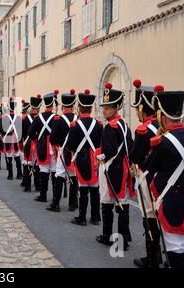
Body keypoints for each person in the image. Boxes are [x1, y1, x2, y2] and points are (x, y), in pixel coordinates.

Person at [145, 85, 184, 268]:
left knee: (176, 249)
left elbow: (149, 166)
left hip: (174, 204)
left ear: (163, 117)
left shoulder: (162, 143)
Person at [95, 83, 135, 250]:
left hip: (111, 168)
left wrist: (99, 155)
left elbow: (109, 151)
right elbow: (130, 146)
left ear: (116, 108)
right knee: (122, 203)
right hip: (123, 168)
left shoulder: (110, 127)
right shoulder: (123, 125)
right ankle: (123, 239)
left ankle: (107, 236)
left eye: (108, 107)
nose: (104, 110)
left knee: (107, 203)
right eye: (104, 107)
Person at [129, 80, 162, 268]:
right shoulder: (161, 126)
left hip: (147, 179)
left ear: (142, 107)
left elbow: (135, 156)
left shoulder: (142, 130)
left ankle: (152, 258)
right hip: (163, 181)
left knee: (149, 217)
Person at [66, 89, 103, 226]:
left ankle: (82, 217)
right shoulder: (98, 125)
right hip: (95, 160)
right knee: (94, 188)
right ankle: (95, 217)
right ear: (91, 108)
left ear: (80, 108)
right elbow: (101, 143)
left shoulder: (75, 126)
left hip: (81, 159)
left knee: (83, 188)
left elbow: (69, 145)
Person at [48, 89, 78, 212]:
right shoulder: (78, 118)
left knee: (59, 175)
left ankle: (56, 204)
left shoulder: (58, 120)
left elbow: (53, 137)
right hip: (76, 152)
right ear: (73, 105)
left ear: (63, 106)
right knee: (73, 177)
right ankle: (72, 204)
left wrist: (56, 146)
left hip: (62, 151)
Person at [28, 90, 60, 203]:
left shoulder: (38, 118)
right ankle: (55, 198)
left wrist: (37, 141)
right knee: (55, 171)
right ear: (53, 104)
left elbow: (31, 133)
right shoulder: (57, 118)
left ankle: (43, 195)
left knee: (43, 171)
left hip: (42, 147)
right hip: (54, 148)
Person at [22, 95, 42, 192]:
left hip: (28, 143)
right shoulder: (41, 118)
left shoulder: (25, 119)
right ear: (38, 107)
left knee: (27, 164)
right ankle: (37, 186)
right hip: (38, 144)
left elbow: (22, 133)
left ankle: (27, 185)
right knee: (37, 164)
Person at [0, 97, 23, 180]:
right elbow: (21, 130)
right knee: (17, 157)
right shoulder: (19, 118)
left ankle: (10, 175)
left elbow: (1, 130)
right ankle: (19, 174)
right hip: (16, 139)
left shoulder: (4, 118)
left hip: (8, 140)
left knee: (9, 157)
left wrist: (3, 136)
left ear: (9, 108)